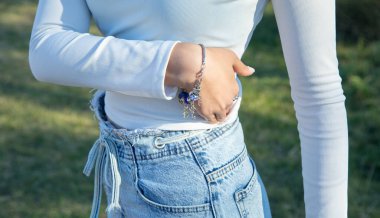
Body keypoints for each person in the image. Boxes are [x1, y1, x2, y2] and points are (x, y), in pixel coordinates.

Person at [28, 0, 348, 217]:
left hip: (201, 186)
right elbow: (47, 49)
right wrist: (180, 61)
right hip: (119, 173)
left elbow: (319, 95)